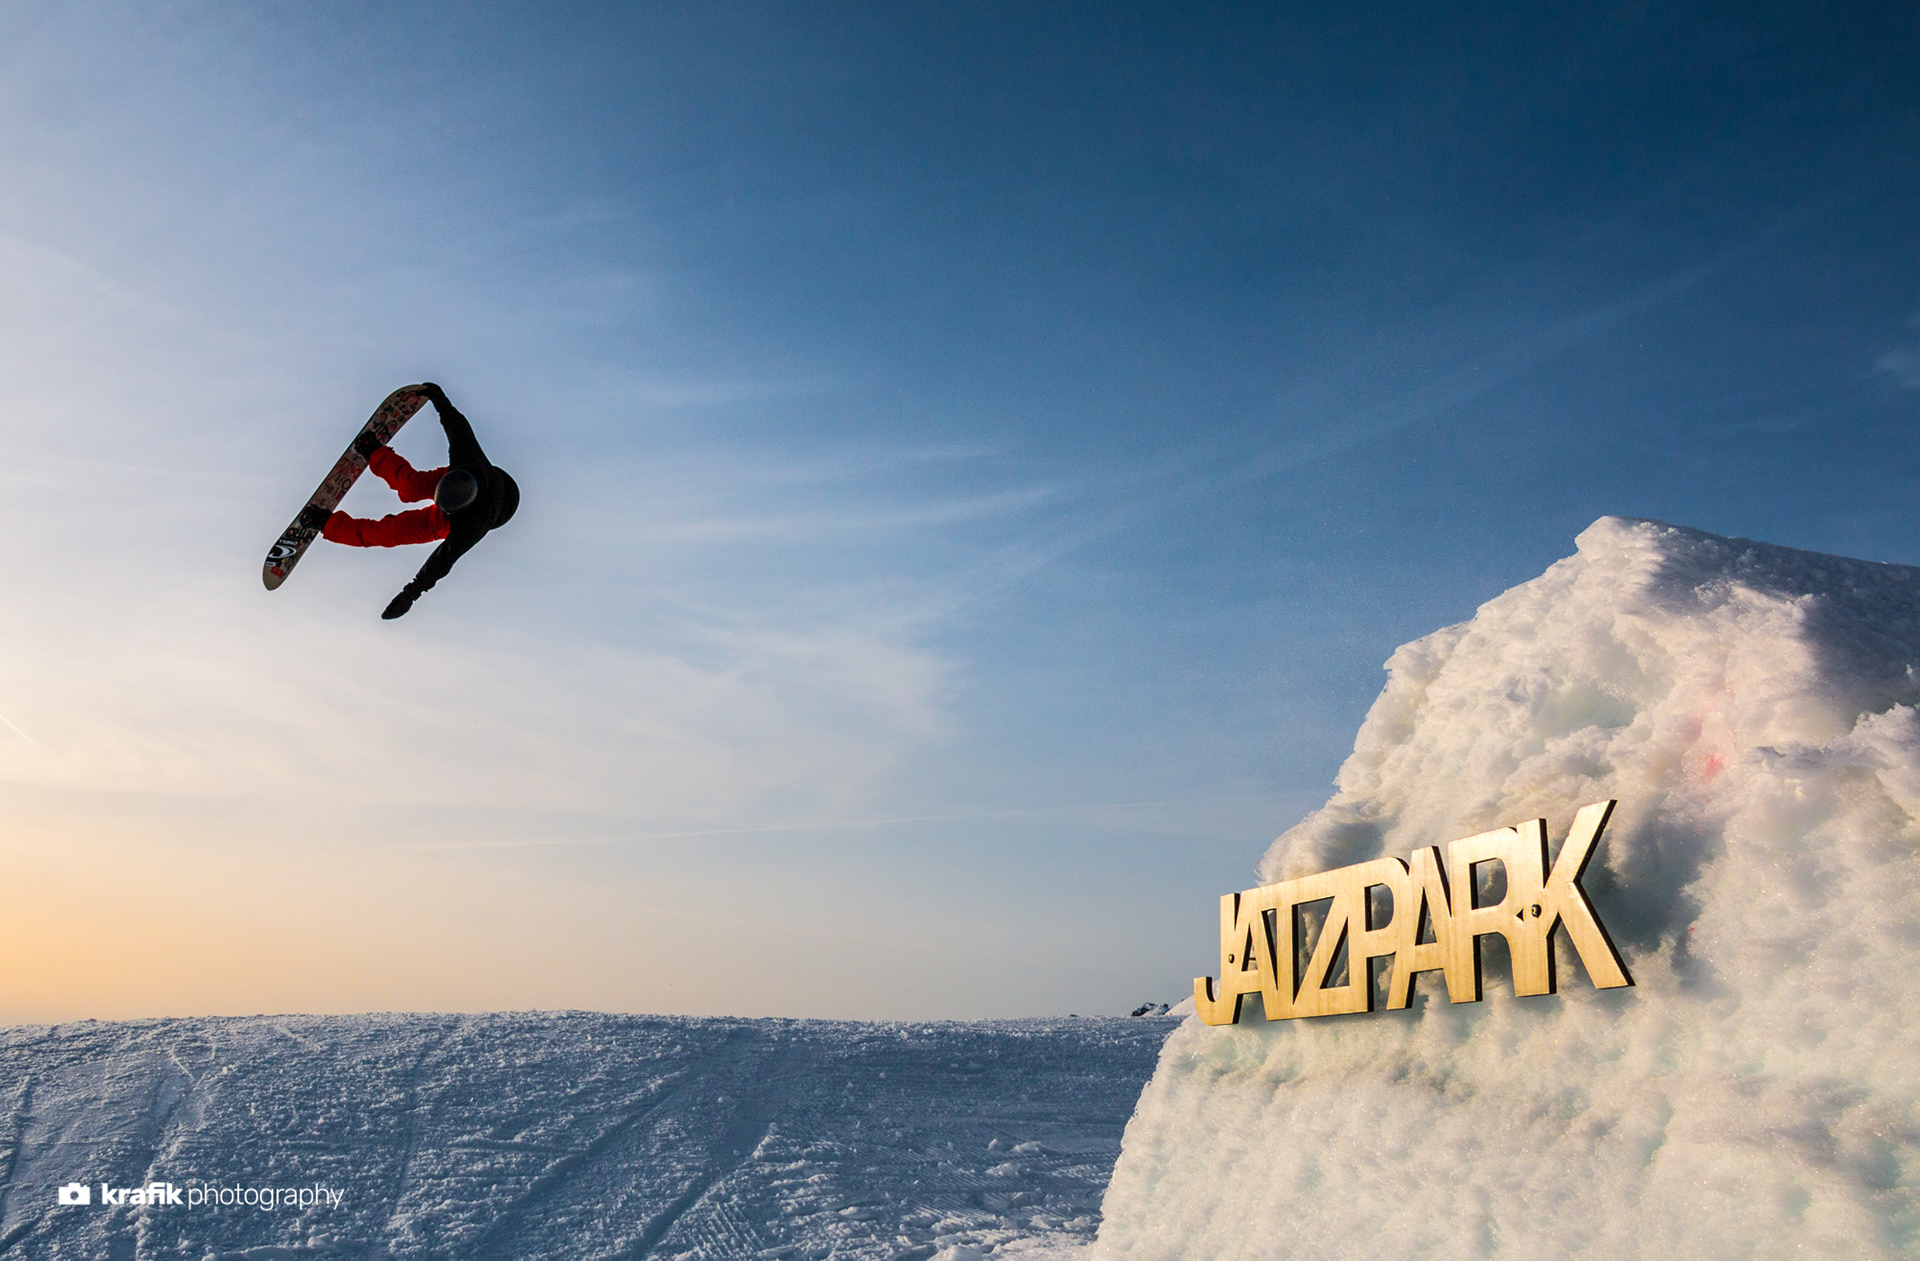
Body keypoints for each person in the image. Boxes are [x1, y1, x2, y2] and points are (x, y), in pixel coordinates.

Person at [306, 382, 519, 619]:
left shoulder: (469, 528)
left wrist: (409, 594)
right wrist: (440, 399)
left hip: (479, 511)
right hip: (467, 478)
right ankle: (373, 450)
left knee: (389, 532)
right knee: (410, 488)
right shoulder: (466, 456)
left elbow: (439, 565)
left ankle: (325, 523)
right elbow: (456, 424)